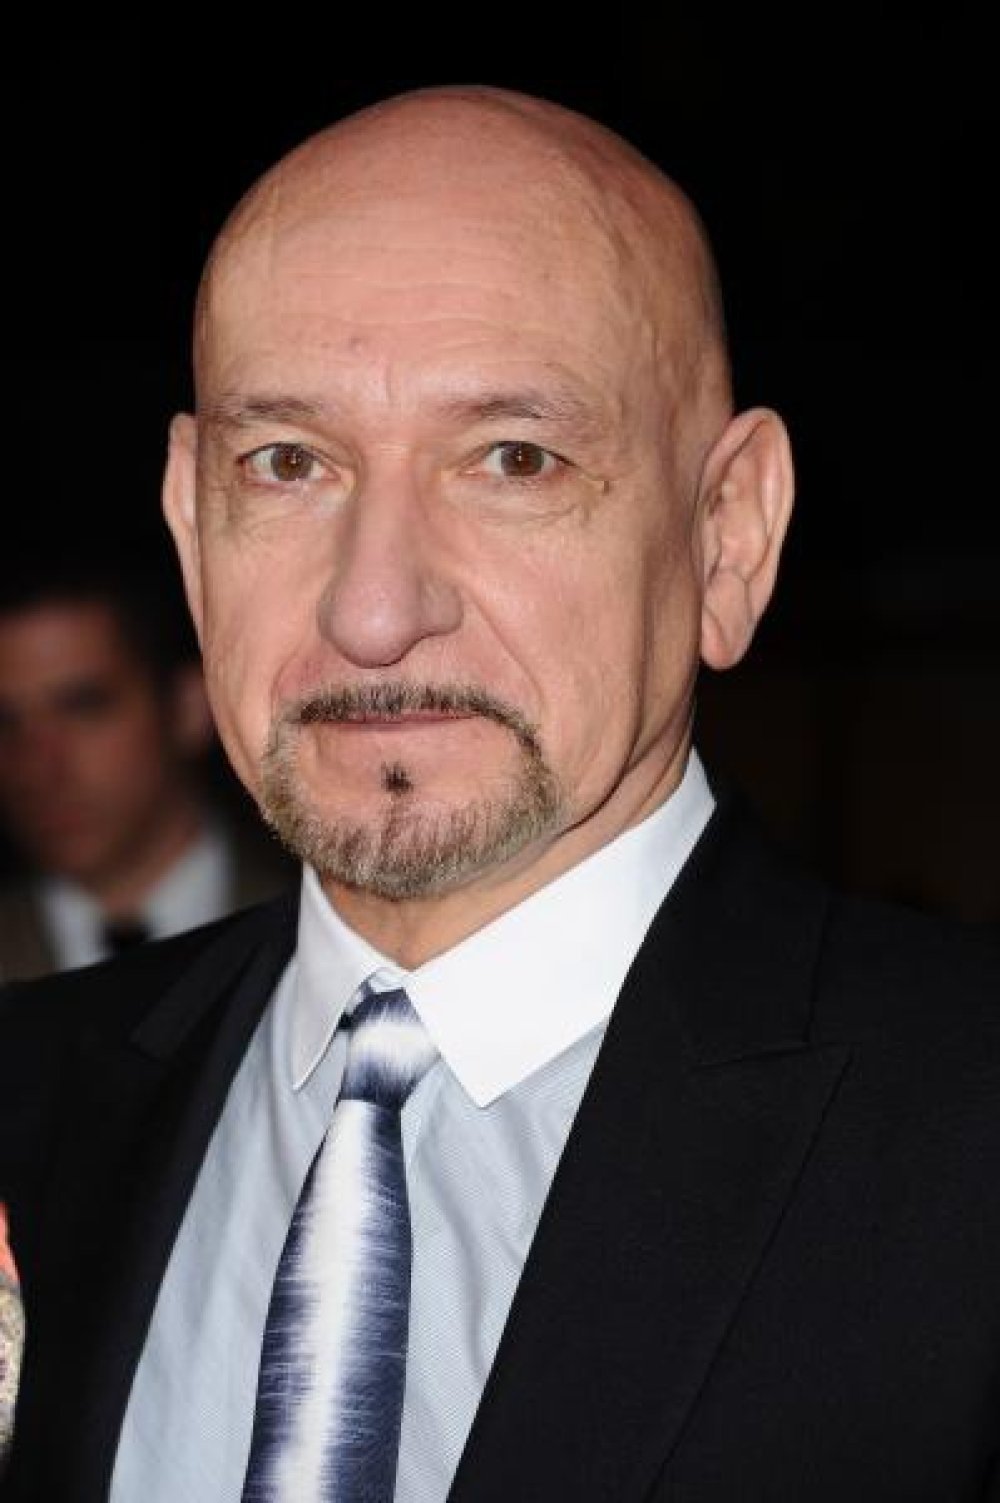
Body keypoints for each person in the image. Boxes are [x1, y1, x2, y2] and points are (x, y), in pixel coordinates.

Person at [0, 85, 997, 1502]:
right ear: (189, 524)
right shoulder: (30, 1096)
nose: (372, 610)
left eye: (512, 460)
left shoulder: (964, 1133)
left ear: (728, 536)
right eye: (287, 463)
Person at [0, 549, 294, 980]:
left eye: (83, 707)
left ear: (190, 707)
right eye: (6, 722)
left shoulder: (325, 926)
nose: (37, 766)